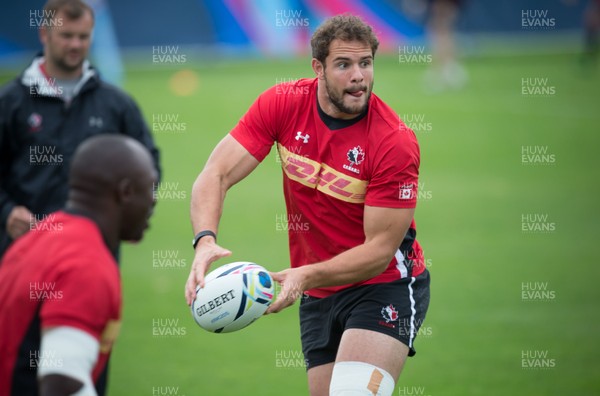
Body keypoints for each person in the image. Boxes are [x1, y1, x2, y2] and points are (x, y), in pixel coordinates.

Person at [186, 14, 430, 395]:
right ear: (318, 67)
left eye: (366, 63)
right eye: (344, 64)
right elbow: (215, 174)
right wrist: (204, 241)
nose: (358, 77)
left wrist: (304, 275)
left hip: (383, 286)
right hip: (319, 292)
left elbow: (379, 253)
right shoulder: (282, 104)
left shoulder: (393, 142)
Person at [0, 0, 160, 258]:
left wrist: (134, 213)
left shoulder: (116, 104)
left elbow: (148, 164)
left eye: (83, 36)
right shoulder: (11, 102)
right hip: (24, 252)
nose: (75, 44)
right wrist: (6, 212)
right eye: (66, 36)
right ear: (44, 34)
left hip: (95, 255)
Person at [0, 134, 158, 396]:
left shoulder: (41, 237)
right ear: (126, 192)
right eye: (150, 188)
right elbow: (62, 383)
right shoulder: (86, 265)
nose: (154, 200)